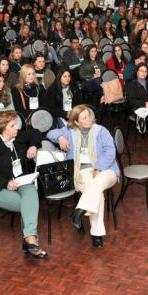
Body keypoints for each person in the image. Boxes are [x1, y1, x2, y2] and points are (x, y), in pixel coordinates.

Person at [0, 110, 48, 259]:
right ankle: (31, 241)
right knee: (28, 204)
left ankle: (29, 240)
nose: (17, 128)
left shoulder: (17, 137)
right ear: (3, 128)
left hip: (20, 182)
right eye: (13, 125)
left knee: (31, 191)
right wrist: (5, 182)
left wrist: (33, 146)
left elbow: (35, 132)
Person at [47, 105, 120, 249]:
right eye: (84, 118)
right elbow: (50, 133)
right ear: (76, 122)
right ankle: (96, 234)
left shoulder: (101, 131)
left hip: (107, 169)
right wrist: (60, 137)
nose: (89, 119)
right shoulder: (70, 131)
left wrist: (99, 167)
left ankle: (79, 211)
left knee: (97, 182)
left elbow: (110, 151)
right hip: (83, 171)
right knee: (97, 193)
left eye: (89, 115)